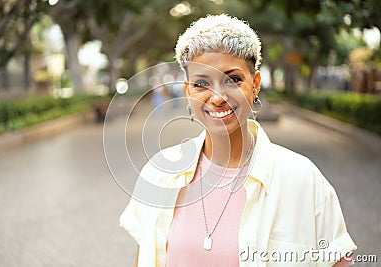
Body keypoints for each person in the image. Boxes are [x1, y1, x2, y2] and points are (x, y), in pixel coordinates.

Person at [120, 14, 357, 267]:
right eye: (202, 83)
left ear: (255, 85)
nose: (218, 97)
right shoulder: (158, 174)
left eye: (233, 79)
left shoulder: (303, 179)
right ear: (188, 91)